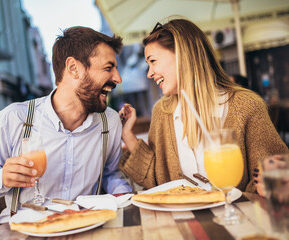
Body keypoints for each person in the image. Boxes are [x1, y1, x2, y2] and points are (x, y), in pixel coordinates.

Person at [0, 26, 132, 223]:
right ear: (73, 68)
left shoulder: (110, 122)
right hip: (26, 230)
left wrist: (125, 198)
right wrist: (2, 177)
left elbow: (110, 174)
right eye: (108, 68)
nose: (118, 78)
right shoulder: (15, 118)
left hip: (85, 225)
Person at [118, 17, 288, 195]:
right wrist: (127, 134)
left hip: (237, 218)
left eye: (153, 61)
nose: (149, 73)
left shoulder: (245, 106)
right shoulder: (162, 112)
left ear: (184, 55)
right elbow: (155, 178)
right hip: (183, 221)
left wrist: (270, 182)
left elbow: (270, 173)